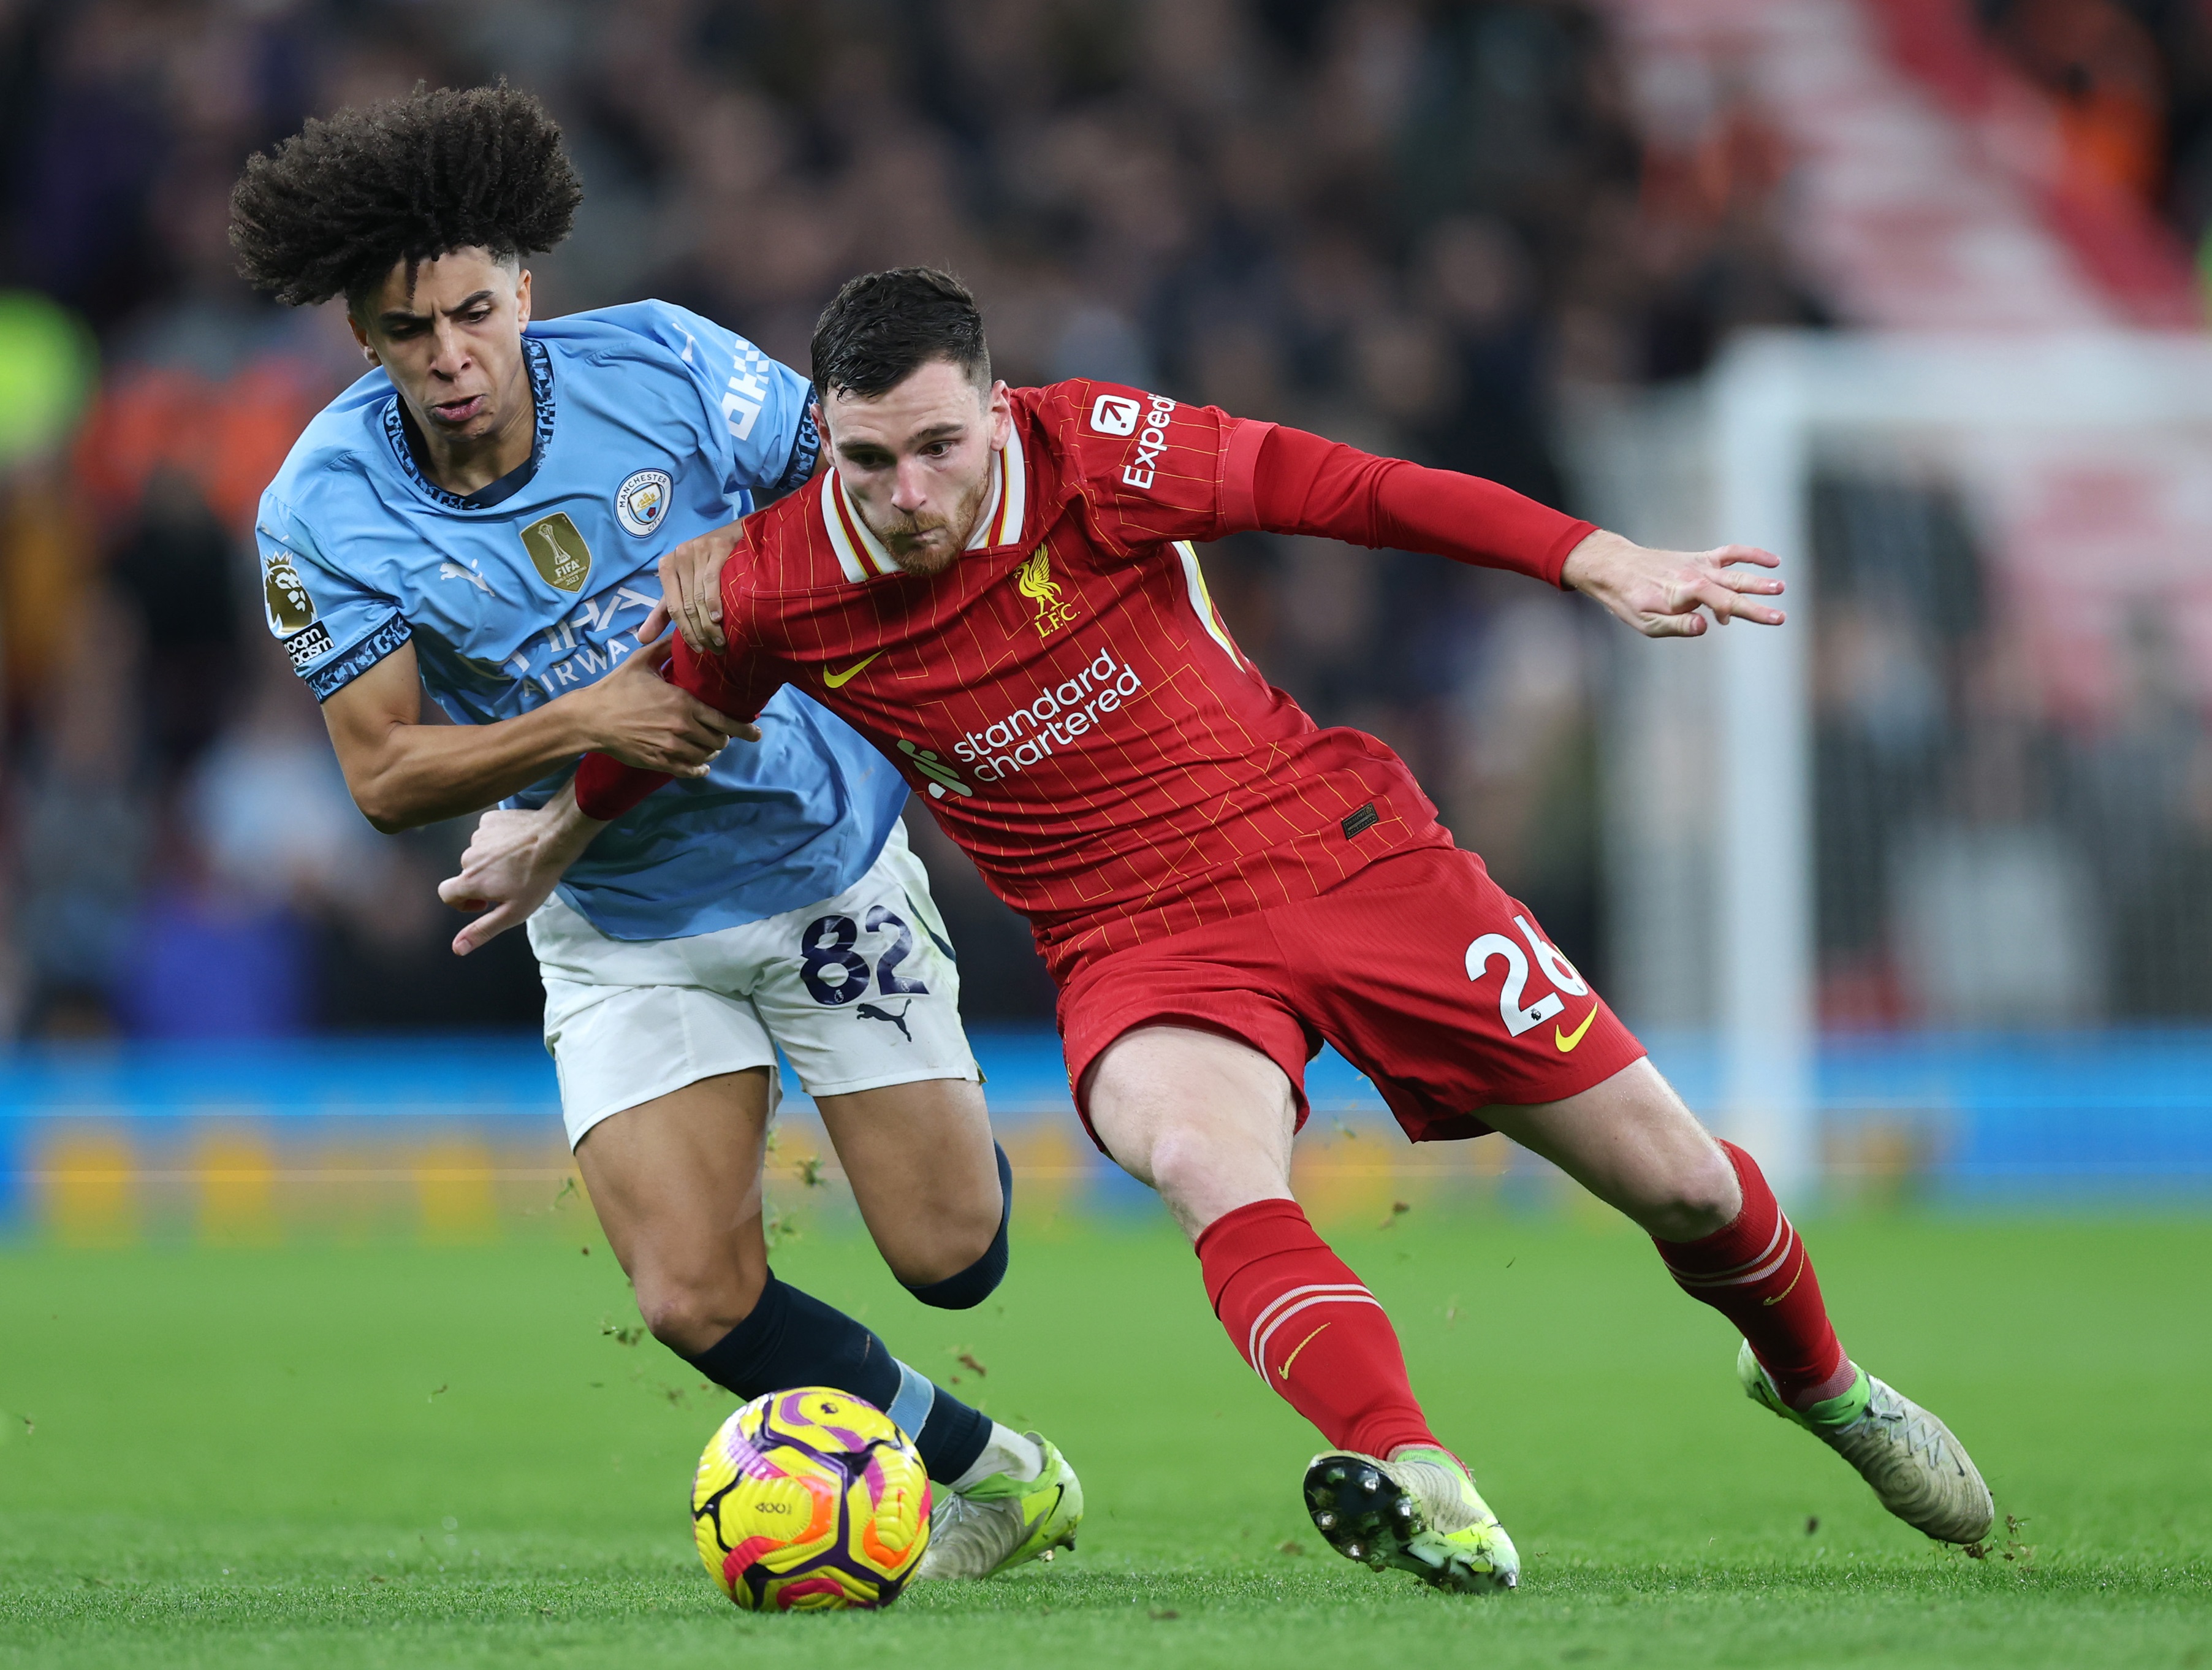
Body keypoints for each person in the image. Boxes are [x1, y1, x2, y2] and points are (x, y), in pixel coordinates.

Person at [449, 266, 1994, 1595]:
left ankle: (1825, 1390)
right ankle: (1415, 1476)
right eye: (867, 462)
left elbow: (1354, 492)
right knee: (1201, 1162)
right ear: (827, 444)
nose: (907, 496)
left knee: (1676, 1182)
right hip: (1131, 943)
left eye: (936, 448)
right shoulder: (780, 581)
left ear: (994, 410)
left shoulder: (1099, 448)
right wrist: (552, 839)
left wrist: (1590, 557)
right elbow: (673, 719)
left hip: (1342, 855)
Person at [229, 96, 1077, 1579]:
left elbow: (858, 511)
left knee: (954, 1258)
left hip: (821, 862)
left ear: (524, 291)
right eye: (407, 331)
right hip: (618, 920)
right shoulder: (321, 508)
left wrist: (744, 560)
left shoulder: (666, 365)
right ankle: (992, 1474)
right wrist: (582, 726)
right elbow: (382, 774)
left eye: (475, 314)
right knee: (690, 1294)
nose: (451, 359)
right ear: (361, 339)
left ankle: (914, 1163)